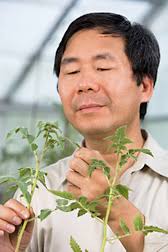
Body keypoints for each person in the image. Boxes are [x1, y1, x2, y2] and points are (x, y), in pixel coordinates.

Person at [0, 12, 168, 252]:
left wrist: (116, 211)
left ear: (144, 86)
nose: (85, 84)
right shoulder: (40, 190)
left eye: (103, 67)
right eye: (71, 72)